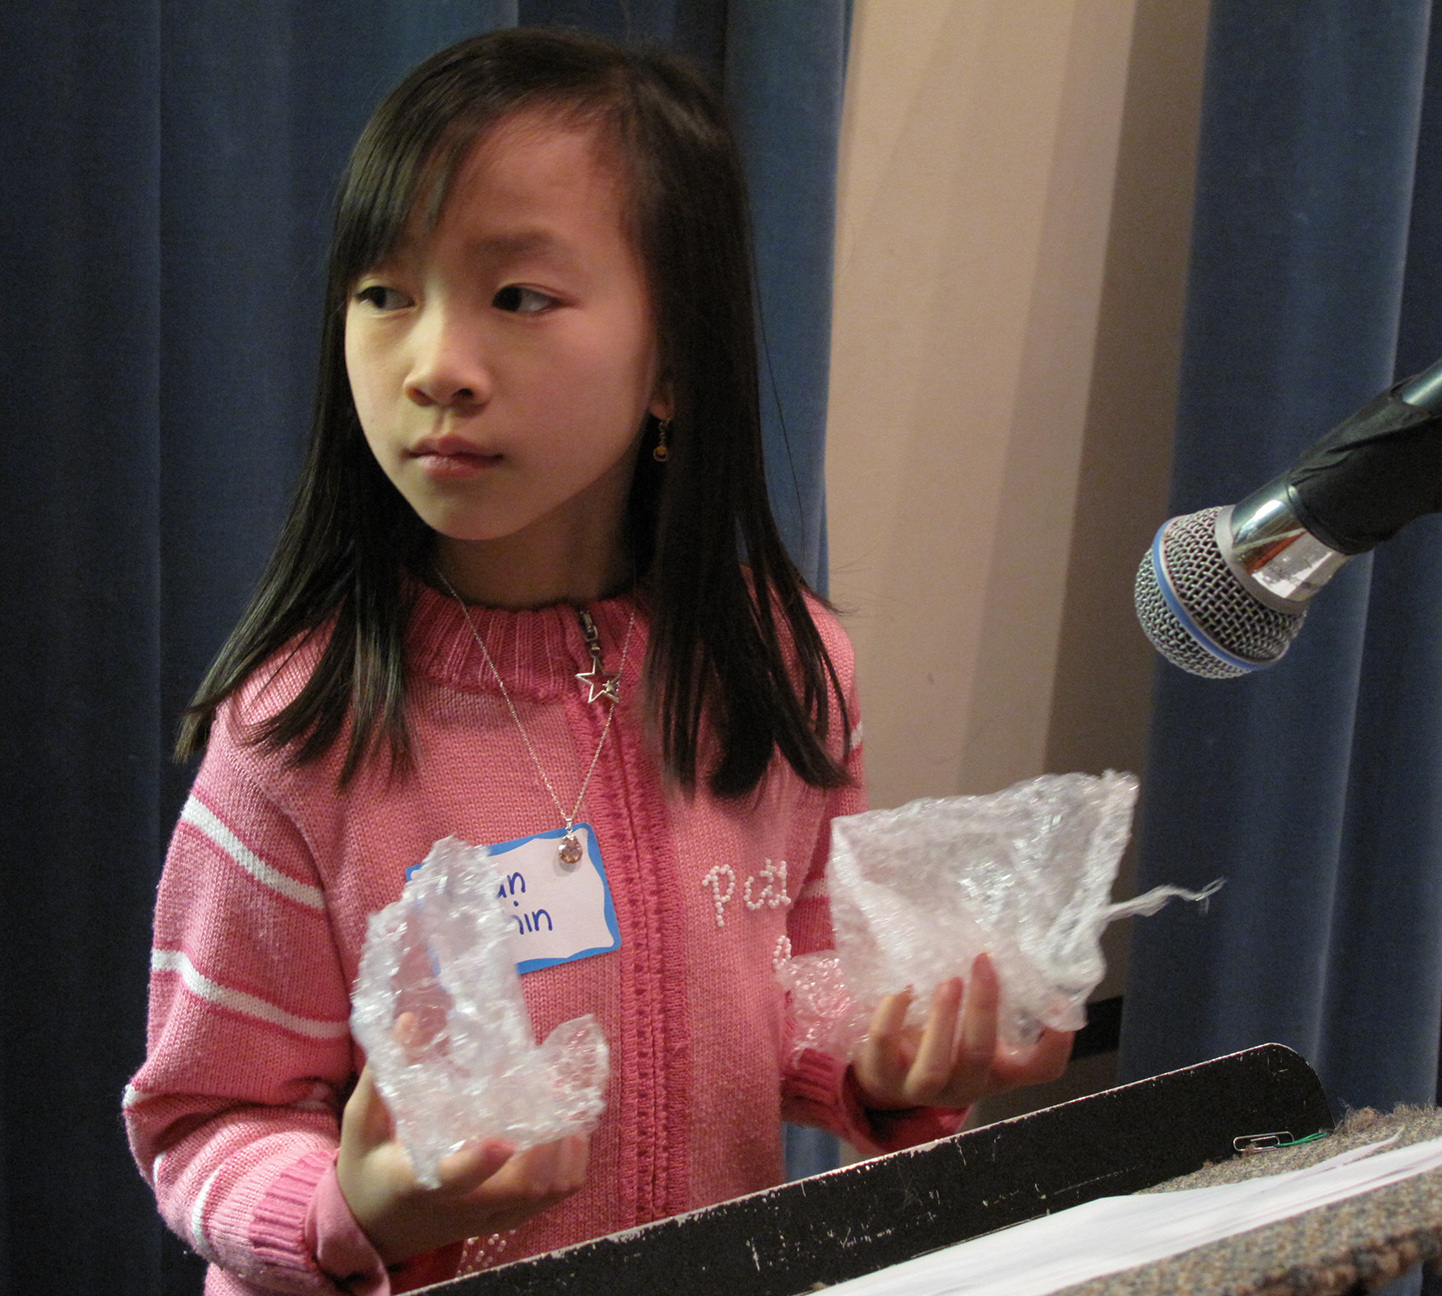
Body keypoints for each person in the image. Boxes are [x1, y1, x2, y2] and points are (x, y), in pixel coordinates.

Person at [124, 28, 1072, 1295]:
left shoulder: (785, 665)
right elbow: (201, 1120)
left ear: (673, 359)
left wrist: (889, 1062)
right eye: (384, 293)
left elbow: (796, 980)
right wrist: (352, 1208)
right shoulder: (302, 728)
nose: (435, 368)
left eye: (519, 297)